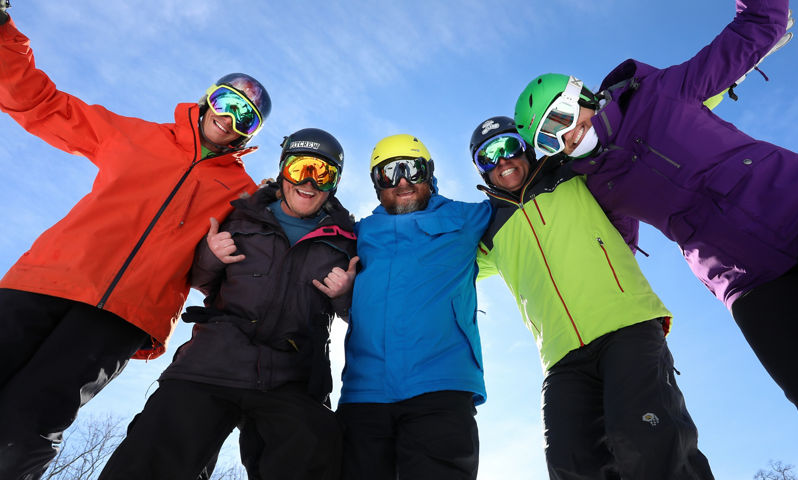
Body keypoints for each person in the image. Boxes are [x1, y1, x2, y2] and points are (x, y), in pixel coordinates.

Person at [513, 0, 798, 459]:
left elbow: (759, 25)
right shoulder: (596, 184)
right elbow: (614, 250)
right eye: (548, 140)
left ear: (579, 95)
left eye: (561, 119)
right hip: (747, 276)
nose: (566, 137)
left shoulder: (660, 92)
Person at [0, 7, 272, 478]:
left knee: (29, 422)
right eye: (226, 102)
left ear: (250, 136)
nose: (230, 119)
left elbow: (256, 260)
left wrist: (284, 198)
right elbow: (42, 104)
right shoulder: (136, 136)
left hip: (123, 314)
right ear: (207, 99)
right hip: (46, 280)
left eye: (246, 118)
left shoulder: (243, 192)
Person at [99, 128, 358, 480]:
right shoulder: (240, 213)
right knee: (152, 457)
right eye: (301, 169)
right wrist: (210, 256)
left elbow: (356, 313)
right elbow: (202, 280)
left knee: (316, 453)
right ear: (284, 169)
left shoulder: (347, 239)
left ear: (334, 184)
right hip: (214, 361)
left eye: (323, 173)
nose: (310, 182)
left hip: (293, 376)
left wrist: (345, 295)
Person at [470, 116, 714, 479]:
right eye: (488, 157)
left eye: (508, 147)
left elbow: (633, 133)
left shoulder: (570, 173)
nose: (502, 161)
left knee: (646, 441)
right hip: (560, 355)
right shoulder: (486, 229)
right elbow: (440, 266)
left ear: (526, 146)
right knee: (569, 461)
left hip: (624, 324)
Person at [336, 134, 491, 480]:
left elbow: (523, 204)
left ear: (429, 174)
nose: (402, 181)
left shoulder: (466, 218)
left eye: (412, 169)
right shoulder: (358, 233)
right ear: (377, 185)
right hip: (364, 395)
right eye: (389, 173)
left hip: (440, 388)